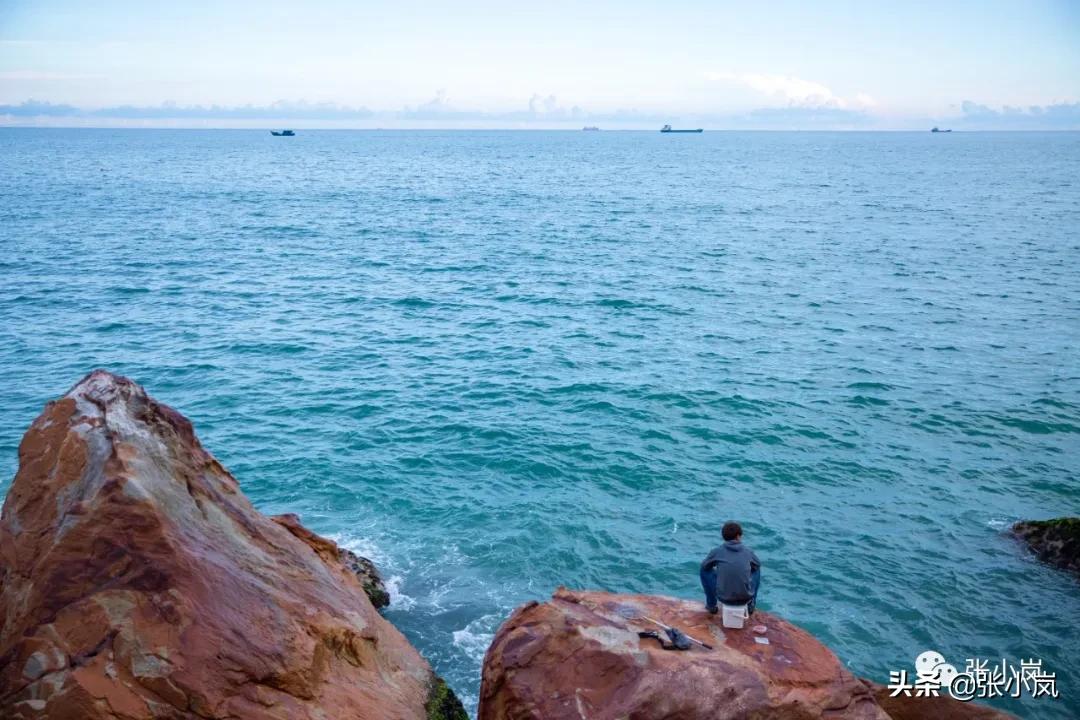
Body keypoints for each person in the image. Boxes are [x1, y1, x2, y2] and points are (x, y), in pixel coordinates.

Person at [700, 521, 761, 615]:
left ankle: (711, 605)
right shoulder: (748, 551)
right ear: (738, 536)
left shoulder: (717, 551)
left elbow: (705, 566)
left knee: (704, 571)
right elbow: (757, 564)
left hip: (724, 598)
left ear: (723, 537)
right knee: (757, 570)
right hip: (745, 598)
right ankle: (751, 605)